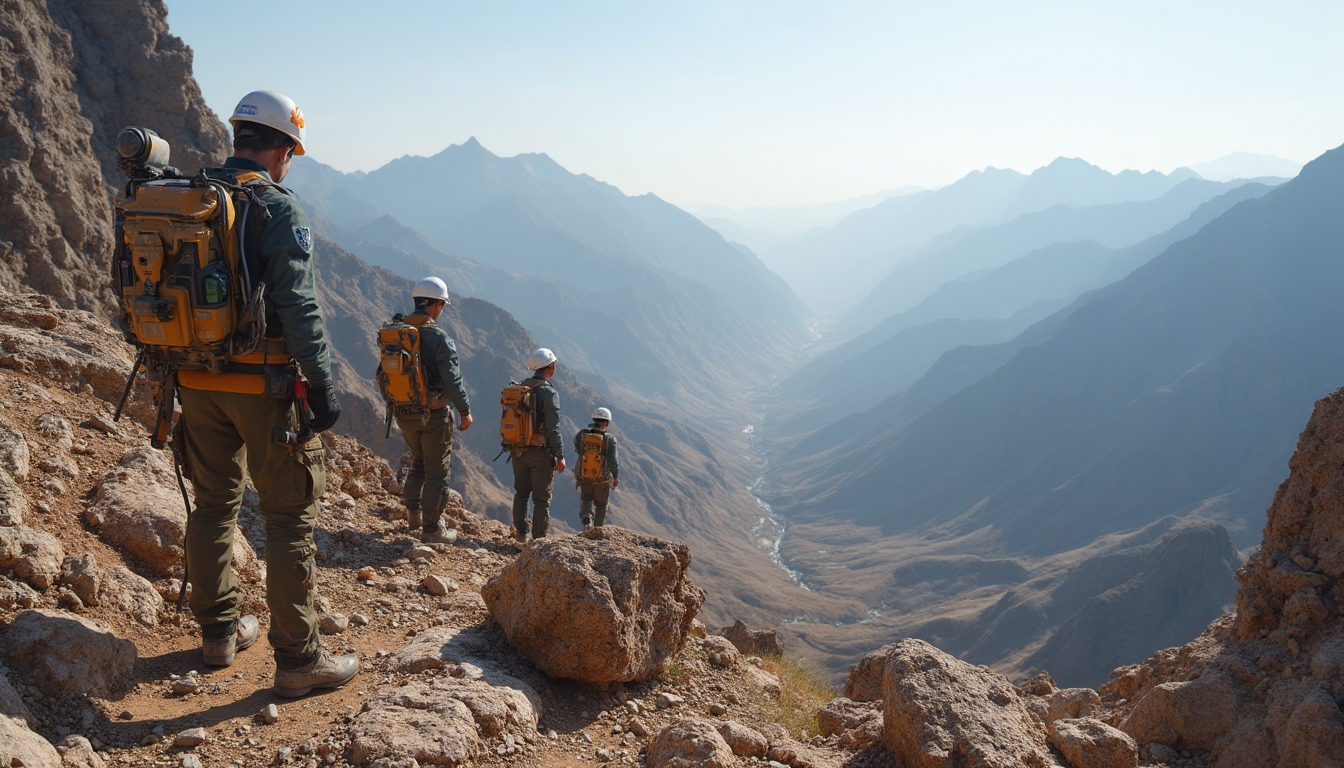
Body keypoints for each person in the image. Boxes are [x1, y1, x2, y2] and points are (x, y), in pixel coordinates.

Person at [178, 90, 357, 698]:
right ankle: (300, 661)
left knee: (211, 506)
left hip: (196, 381)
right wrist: (322, 381)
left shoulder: (192, 196)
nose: (290, 164)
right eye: (292, 154)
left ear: (238, 137)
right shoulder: (275, 206)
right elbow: (299, 305)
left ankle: (218, 634)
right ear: (281, 149)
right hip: (265, 388)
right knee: (287, 521)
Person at [394, 277, 472, 544]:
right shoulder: (437, 336)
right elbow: (452, 379)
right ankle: (432, 530)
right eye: (443, 305)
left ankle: (414, 515)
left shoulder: (397, 332)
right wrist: (464, 410)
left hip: (403, 413)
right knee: (437, 472)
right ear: (437, 304)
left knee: (418, 463)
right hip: (433, 414)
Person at [511, 348, 565, 542]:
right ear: (550, 367)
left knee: (521, 493)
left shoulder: (519, 389)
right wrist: (559, 455)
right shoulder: (548, 393)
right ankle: (539, 542)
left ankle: (521, 537)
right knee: (541, 499)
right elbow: (553, 428)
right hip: (540, 454)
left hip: (518, 450)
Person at [574, 407, 620, 530]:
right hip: (601, 479)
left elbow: (578, 449)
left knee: (586, 498)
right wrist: (615, 476)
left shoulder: (581, 435)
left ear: (593, 419)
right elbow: (613, 461)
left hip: (584, 476)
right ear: (607, 423)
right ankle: (597, 529)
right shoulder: (610, 439)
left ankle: (587, 515)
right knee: (601, 504)